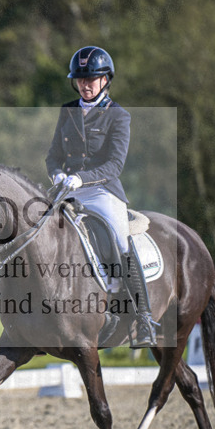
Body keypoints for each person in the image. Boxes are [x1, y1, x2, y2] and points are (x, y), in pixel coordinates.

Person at [45, 46, 156, 348]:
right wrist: (56, 174)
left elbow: (115, 165)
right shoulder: (68, 110)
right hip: (68, 189)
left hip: (102, 191)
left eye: (92, 79)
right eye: (80, 79)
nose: (85, 84)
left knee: (120, 242)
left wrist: (82, 177)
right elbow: (53, 155)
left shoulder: (119, 116)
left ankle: (144, 318)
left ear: (106, 79)